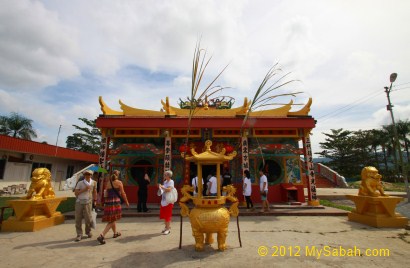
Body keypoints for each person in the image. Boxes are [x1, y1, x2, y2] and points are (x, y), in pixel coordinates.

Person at [97, 170, 129, 245]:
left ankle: (115, 233)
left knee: (112, 218)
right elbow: (123, 193)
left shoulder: (108, 183)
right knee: (112, 219)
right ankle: (102, 235)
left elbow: (105, 194)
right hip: (115, 202)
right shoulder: (119, 182)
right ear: (117, 175)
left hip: (108, 202)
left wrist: (104, 202)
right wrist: (126, 202)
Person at [74, 169, 97, 242]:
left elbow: (95, 192)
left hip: (88, 202)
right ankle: (79, 234)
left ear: (91, 175)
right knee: (78, 218)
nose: (88, 176)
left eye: (89, 174)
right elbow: (76, 193)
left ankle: (88, 231)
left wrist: (95, 200)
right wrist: (84, 189)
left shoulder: (94, 182)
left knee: (88, 218)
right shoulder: (80, 183)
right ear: (84, 175)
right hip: (79, 202)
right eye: (86, 174)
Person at [158, 170, 174, 235]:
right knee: (164, 215)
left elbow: (169, 189)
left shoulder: (171, 181)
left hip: (169, 201)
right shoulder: (165, 182)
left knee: (168, 215)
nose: (164, 176)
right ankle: (166, 227)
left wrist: (162, 187)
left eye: (165, 175)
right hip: (164, 200)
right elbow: (164, 189)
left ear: (168, 176)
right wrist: (160, 187)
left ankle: (168, 229)